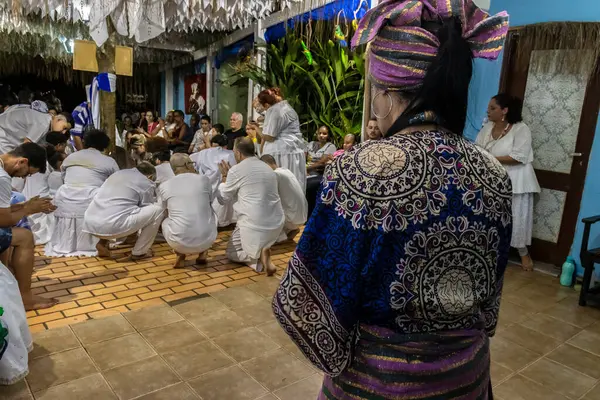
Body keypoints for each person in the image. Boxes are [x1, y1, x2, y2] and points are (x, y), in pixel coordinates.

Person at [272, 1, 511, 398]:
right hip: (465, 379)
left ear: (384, 91)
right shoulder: (494, 174)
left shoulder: (358, 170)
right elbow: (489, 304)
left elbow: (316, 302)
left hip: (378, 385)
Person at [476, 94, 540, 271]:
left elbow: (518, 157)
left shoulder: (521, 129)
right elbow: (478, 148)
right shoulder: (487, 127)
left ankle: (523, 253)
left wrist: (489, 158)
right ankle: (489, 251)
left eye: (492, 108)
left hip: (517, 180)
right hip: (494, 179)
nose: (488, 111)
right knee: (491, 216)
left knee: (516, 217)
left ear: (504, 110)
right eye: (488, 108)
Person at [0, 143, 57, 310]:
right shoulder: (2, 177)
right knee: (25, 237)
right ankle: (25, 297)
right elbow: (3, 220)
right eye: (27, 173)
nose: (23, 178)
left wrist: (25, 206)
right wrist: (28, 209)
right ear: (22, 162)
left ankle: (9, 284)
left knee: (17, 214)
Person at [45, 130, 119, 257]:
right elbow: (117, 182)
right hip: (91, 198)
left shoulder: (71, 157)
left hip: (66, 196)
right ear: (104, 145)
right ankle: (101, 240)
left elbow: (63, 176)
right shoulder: (108, 161)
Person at [218, 137, 284, 275]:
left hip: (253, 223)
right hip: (276, 222)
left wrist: (224, 178)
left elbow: (223, 199)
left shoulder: (236, 170)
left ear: (238, 153)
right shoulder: (266, 166)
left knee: (231, 252)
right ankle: (262, 252)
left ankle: (258, 257)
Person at [83, 162, 163, 260]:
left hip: (91, 223)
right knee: (157, 210)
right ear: (150, 176)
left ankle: (102, 243)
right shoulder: (146, 182)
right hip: (112, 226)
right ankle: (140, 253)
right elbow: (146, 208)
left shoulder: (118, 174)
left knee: (117, 207)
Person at [159, 154, 217, 268]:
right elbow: (209, 202)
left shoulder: (164, 185)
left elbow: (162, 209)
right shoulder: (204, 179)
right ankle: (203, 252)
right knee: (210, 212)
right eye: (192, 163)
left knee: (166, 220)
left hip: (178, 241)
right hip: (207, 239)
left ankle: (180, 254)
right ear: (186, 165)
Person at [256, 88, 307, 192]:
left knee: (282, 188)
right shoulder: (285, 106)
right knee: (294, 186)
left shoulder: (274, 110)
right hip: (293, 151)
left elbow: (269, 136)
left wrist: (256, 128)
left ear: (266, 105)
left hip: (283, 154)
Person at [191, 134, 237, 227]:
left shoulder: (202, 153)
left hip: (204, 187)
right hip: (222, 187)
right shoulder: (230, 154)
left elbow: (190, 160)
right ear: (225, 145)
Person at [260, 154, 307, 242]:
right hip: (302, 217)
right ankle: (290, 230)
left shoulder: (275, 175)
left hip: (292, 219)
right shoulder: (286, 170)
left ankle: (281, 238)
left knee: (263, 208)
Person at [0, 107, 70, 154]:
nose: (63, 132)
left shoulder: (46, 121)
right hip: (3, 132)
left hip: (6, 133)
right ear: (59, 120)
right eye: (64, 128)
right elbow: (26, 147)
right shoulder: (44, 123)